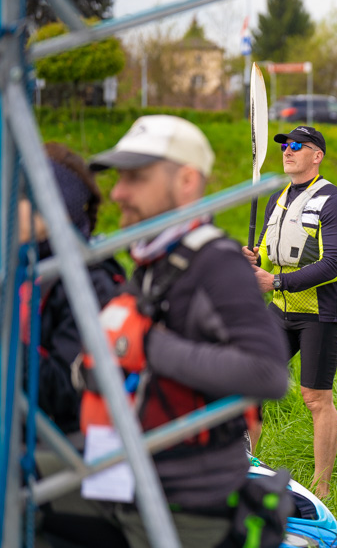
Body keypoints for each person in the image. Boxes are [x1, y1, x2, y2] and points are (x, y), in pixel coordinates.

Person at [39, 115, 290, 548]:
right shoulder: (152, 259)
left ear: (187, 181)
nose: (118, 193)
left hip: (184, 497)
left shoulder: (216, 262)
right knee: (17, 481)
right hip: (128, 468)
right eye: (120, 179)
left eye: (136, 178)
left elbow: (268, 373)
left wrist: (147, 345)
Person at [241, 125, 337, 499]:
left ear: (317, 155)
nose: (287, 151)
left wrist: (274, 283)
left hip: (319, 312)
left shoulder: (334, 201)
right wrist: (253, 257)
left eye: (296, 146)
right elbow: (266, 250)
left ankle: (322, 488)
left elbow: (333, 265)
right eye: (284, 146)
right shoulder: (279, 198)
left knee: (315, 398)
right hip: (279, 310)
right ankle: (245, 468)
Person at [18, 142, 125, 435]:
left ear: (58, 213)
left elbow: (68, 392)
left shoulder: (90, 282)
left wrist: (8, 343)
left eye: (21, 197)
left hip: (61, 447)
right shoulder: (20, 266)